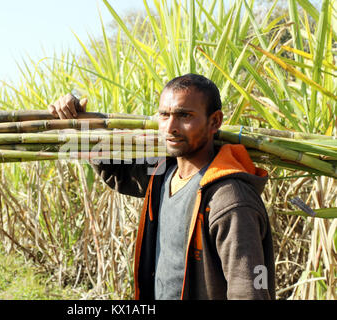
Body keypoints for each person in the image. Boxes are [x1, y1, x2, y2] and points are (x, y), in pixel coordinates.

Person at [48, 74, 276, 300]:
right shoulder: (162, 174)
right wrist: (77, 119)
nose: (170, 127)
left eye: (184, 115)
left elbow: (249, 290)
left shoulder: (229, 200)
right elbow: (115, 169)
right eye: (164, 115)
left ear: (214, 121)